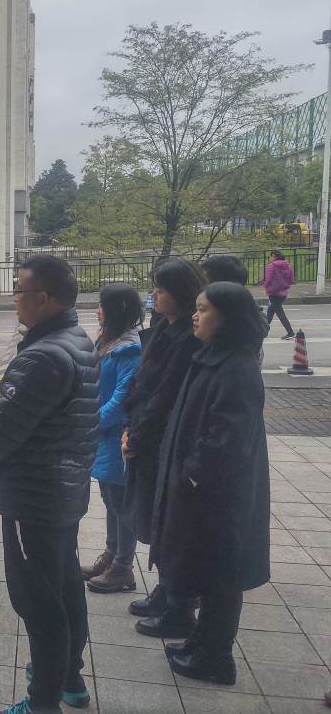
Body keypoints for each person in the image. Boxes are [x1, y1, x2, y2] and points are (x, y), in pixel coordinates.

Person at [0, 255, 98, 714]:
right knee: (65, 585)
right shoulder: (76, 339)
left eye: (19, 293)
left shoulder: (43, 355)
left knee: (38, 600)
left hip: (34, 495)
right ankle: (69, 679)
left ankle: (43, 701)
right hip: (63, 488)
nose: (15, 301)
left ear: (42, 298)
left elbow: (3, 430)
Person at [150, 282, 270, 685]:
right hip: (202, 489)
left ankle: (216, 657)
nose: (195, 316)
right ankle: (200, 640)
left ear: (228, 317)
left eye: (203, 309)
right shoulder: (214, 355)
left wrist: (192, 472)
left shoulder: (237, 367)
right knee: (206, 567)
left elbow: (227, 438)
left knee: (222, 575)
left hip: (219, 494)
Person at [122, 258, 206, 639]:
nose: (153, 295)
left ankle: (179, 604)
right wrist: (130, 427)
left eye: (160, 289)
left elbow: (166, 394)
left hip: (167, 441)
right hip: (145, 432)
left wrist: (137, 435)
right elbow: (142, 382)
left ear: (180, 293)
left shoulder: (188, 338)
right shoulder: (162, 328)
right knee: (155, 518)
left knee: (171, 523)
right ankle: (166, 590)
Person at [81, 284, 143, 594]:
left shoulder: (129, 349)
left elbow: (122, 398)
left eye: (102, 305)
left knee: (120, 502)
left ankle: (123, 566)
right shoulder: (109, 341)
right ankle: (111, 555)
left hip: (116, 436)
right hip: (103, 434)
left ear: (116, 310)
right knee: (110, 498)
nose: (97, 311)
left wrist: (91, 421)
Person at [261, 250, 295, 339]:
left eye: (270, 256)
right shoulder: (288, 265)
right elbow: (291, 280)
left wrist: (265, 287)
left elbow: (268, 279)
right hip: (283, 292)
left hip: (273, 292)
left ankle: (291, 332)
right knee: (270, 312)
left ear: (274, 256)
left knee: (279, 313)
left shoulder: (271, 265)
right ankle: (262, 332)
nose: (270, 258)